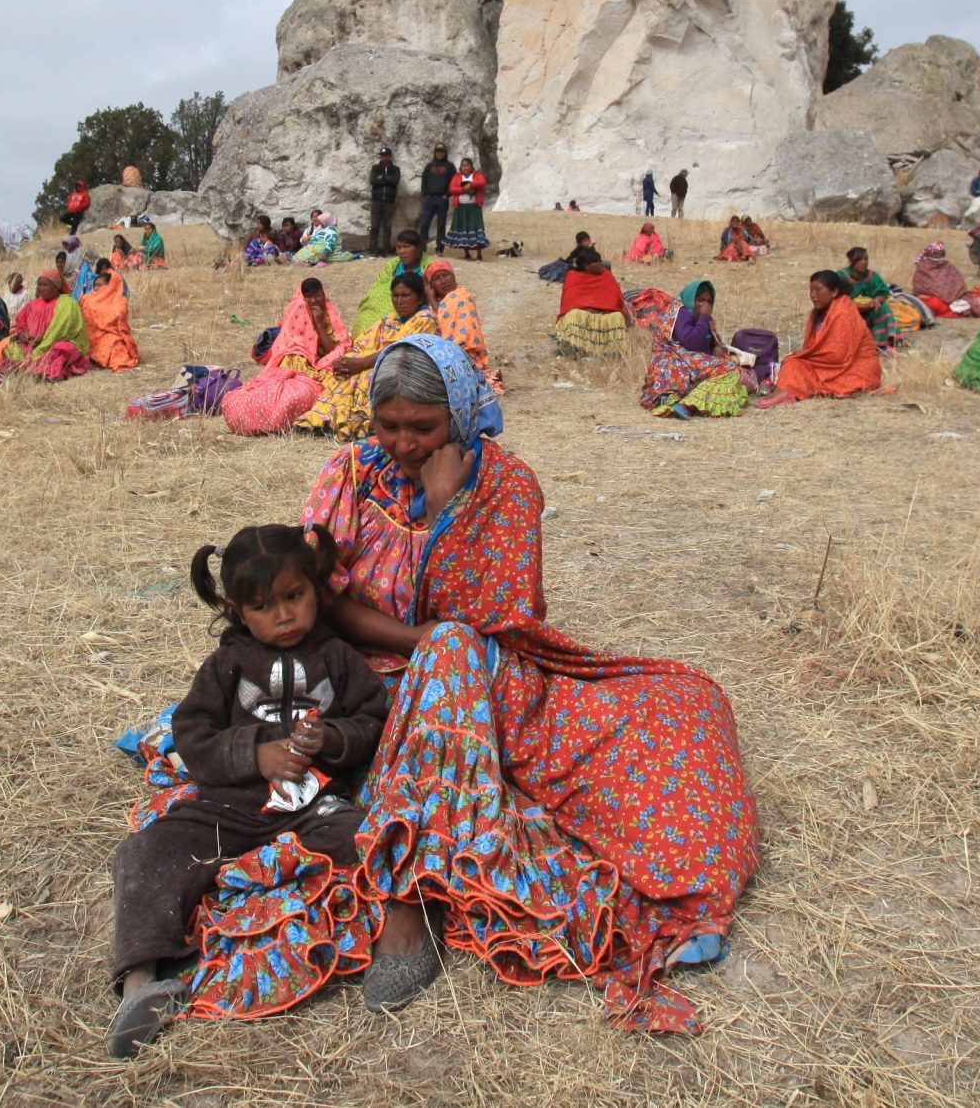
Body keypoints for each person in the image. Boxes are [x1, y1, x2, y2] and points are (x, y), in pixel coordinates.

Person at [267, 336, 756, 1027]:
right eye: (388, 425)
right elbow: (319, 596)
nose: (403, 444)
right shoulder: (350, 473)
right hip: (363, 675)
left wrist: (446, 514)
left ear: (460, 415)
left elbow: (496, 621)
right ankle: (406, 904)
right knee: (445, 647)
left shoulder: (508, 486)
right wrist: (420, 640)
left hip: (483, 675)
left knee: (684, 703)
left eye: (423, 427)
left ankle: (419, 866)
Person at [107, 523, 389, 1055]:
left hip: (314, 806)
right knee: (147, 853)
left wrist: (333, 738)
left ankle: (301, 930)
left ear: (315, 588)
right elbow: (193, 735)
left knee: (366, 841)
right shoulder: (226, 666)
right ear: (236, 610)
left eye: (294, 596)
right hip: (230, 806)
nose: (284, 616)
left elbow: (373, 719)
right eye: (262, 607)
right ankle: (141, 983)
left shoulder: (338, 658)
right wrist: (255, 753)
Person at [293, 268, 435, 436]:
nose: (399, 301)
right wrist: (346, 361)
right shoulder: (390, 319)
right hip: (373, 361)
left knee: (367, 376)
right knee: (344, 371)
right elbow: (363, 342)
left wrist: (360, 364)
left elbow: (399, 350)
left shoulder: (425, 318)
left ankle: (356, 423)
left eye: (405, 296)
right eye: (395, 296)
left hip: (405, 369)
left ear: (419, 298)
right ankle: (324, 419)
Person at [222, 277, 347, 434]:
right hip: (294, 360)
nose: (314, 301)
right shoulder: (297, 311)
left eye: (318, 295)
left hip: (320, 363)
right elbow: (290, 345)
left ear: (323, 294)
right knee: (279, 387)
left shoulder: (329, 314)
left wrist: (320, 324)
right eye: (309, 297)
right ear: (303, 297)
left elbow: (334, 349)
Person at [762, 270, 886, 403]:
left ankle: (784, 393)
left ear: (834, 292)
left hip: (855, 370)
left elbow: (839, 355)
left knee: (794, 364)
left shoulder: (843, 312)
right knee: (793, 364)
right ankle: (785, 391)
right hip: (830, 367)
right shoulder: (819, 312)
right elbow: (815, 347)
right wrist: (804, 357)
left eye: (818, 290)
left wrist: (803, 357)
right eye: (811, 290)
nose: (813, 295)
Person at [638, 279, 751, 416]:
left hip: (688, 365)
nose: (704, 305)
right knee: (727, 370)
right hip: (672, 363)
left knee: (729, 371)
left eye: (709, 301)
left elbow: (707, 345)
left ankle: (687, 403)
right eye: (700, 300)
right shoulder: (679, 314)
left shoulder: (704, 319)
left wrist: (716, 345)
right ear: (691, 299)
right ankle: (681, 402)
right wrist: (704, 317)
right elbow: (692, 343)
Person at [0, 272, 90, 380]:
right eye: (39, 285)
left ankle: (33, 367)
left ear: (57, 286)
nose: (41, 288)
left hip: (56, 342)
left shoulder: (66, 302)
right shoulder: (34, 303)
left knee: (61, 350)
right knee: (12, 349)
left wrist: (42, 340)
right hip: (32, 344)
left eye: (45, 285)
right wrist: (22, 333)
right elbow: (20, 321)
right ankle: (18, 368)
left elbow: (60, 330)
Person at [423, 260, 501, 392]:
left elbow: (443, 318)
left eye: (446, 275)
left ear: (453, 276)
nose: (443, 281)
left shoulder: (461, 296)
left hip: (463, 351)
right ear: (431, 286)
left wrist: (430, 299)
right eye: (437, 279)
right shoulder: (431, 303)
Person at [551, 246, 633, 354]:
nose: (601, 263)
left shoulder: (606, 275)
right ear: (586, 265)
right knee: (573, 316)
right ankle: (577, 347)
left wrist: (602, 310)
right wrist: (588, 309)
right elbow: (570, 301)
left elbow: (616, 298)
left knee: (618, 317)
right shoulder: (572, 276)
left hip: (605, 314)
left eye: (600, 260)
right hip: (583, 313)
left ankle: (611, 350)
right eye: (597, 262)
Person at [353, 228, 427, 335]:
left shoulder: (428, 267)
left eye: (406, 247)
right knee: (366, 317)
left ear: (418, 248)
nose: (401, 251)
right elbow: (379, 287)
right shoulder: (392, 265)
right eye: (398, 247)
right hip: (388, 303)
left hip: (411, 308)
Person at [838, 246, 910, 351]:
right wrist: (862, 306)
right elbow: (839, 300)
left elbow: (883, 292)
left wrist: (876, 300)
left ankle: (882, 343)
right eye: (859, 259)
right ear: (850, 260)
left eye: (866, 259)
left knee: (883, 308)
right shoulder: (842, 276)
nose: (864, 262)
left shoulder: (872, 276)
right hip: (849, 312)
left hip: (869, 310)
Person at [81, 264, 142, 371]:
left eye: (99, 285)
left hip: (111, 335)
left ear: (111, 286)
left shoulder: (120, 302)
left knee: (118, 347)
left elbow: (121, 324)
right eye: (94, 285)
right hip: (91, 338)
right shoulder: (86, 299)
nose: (95, 288)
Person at [445, 157, 490, 259]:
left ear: (471, 166)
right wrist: (463, 189)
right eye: (463, 166)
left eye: (466, 165)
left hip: (474, 207)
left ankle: (479, 254)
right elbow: (451, 189)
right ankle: (466, 253)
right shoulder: (457, 176)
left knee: (476, 228)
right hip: (461, 207)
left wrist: (470, 185)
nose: (464, 168)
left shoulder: (477, 175)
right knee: (463, 229)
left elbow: (482, 182)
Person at [910, 240, 969, 312]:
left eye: (941, 254)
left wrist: (954, 297)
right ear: (930, 254)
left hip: (954, 301)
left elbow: (958, 283)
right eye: (935, 254)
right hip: (932, 301)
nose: (938, 257)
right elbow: (919, 289)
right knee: (935, 304)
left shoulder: (948, 266)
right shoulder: (923, 268)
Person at [417, 146, 456, 252]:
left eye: (442, 151)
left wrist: (447, 194)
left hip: (442, 198)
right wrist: (425, 193)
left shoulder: (450, 166)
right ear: (434, 152)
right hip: (430, 199)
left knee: (441, 224)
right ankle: (422, 246)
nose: (440, 153)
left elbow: (454, 181)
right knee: (425, 223)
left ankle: (440, 248)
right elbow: (424, 180)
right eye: (438, 151)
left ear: (445, 152)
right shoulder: (429, 166)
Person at [366, 148, 401, 257]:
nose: (384, 157)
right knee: (374, 227)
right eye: (382, 155)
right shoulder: (375, 168)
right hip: (377, 201)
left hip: (389, 201)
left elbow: (395, 180)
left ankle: (386, 251)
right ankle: (373, 250)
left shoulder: (395, 169)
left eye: (386, 155)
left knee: (387, 227)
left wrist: (383, 177)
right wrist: (387, 181)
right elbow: (373, 181)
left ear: (390, 156)